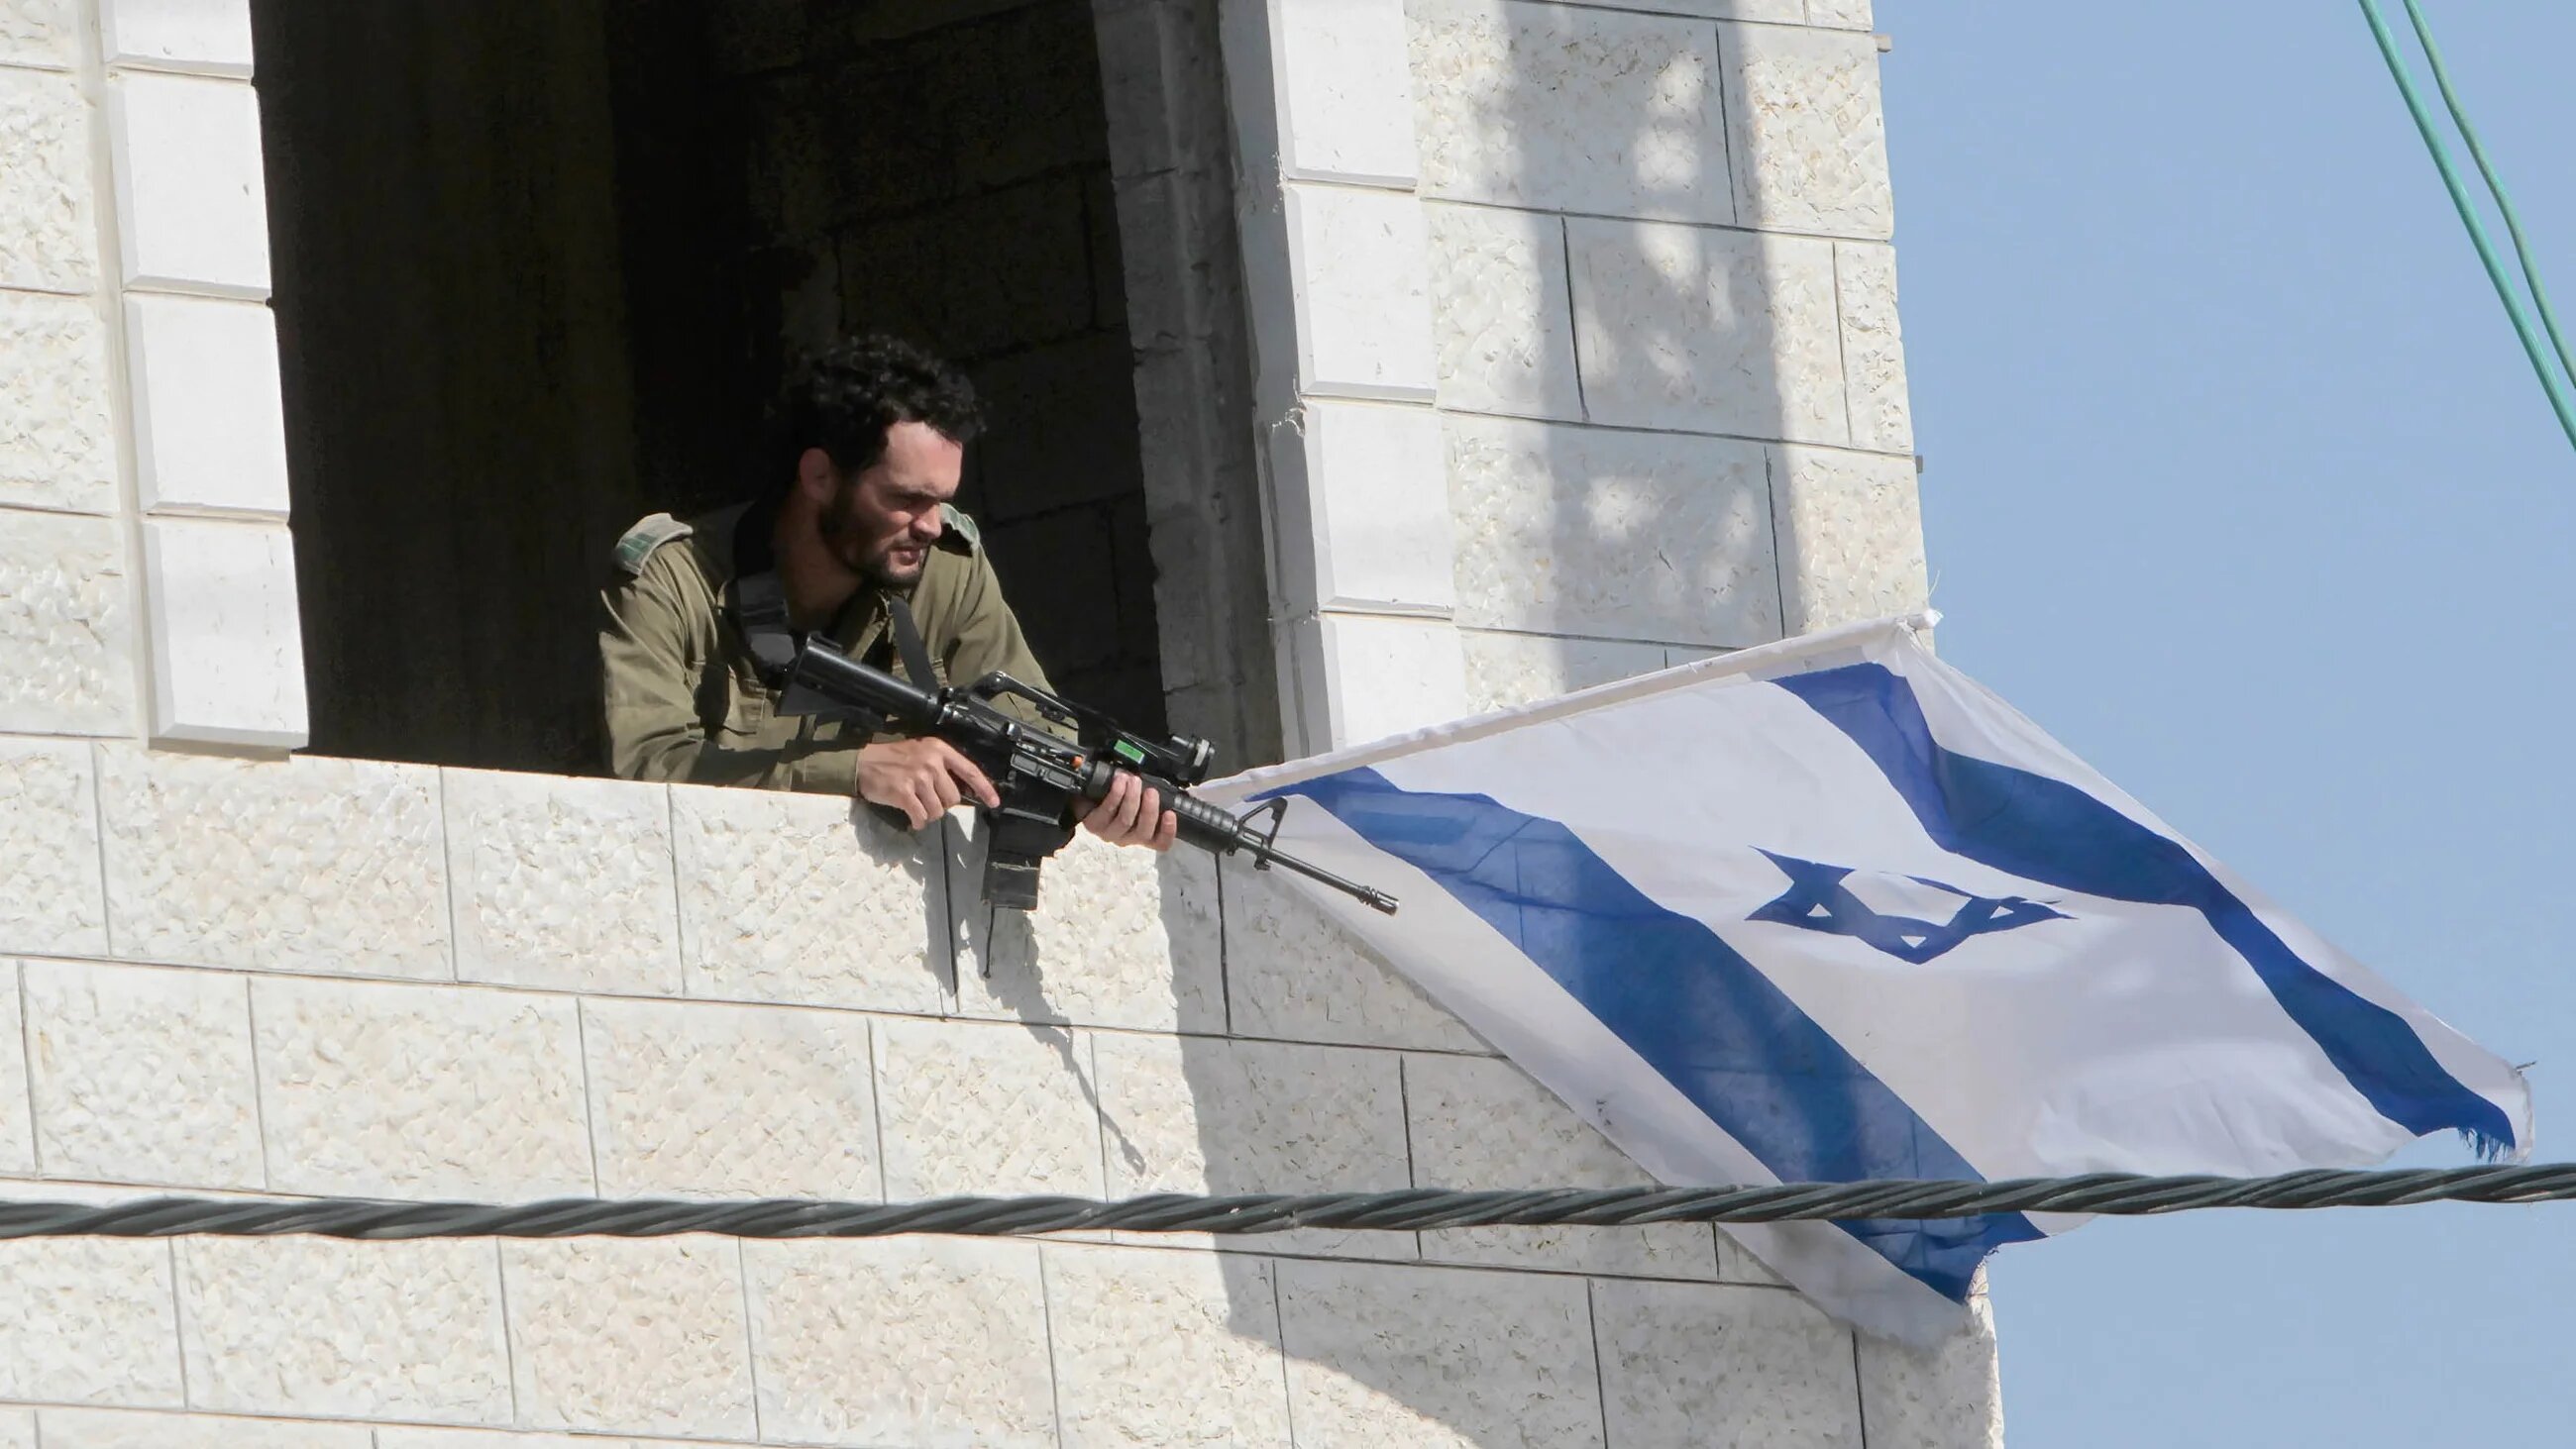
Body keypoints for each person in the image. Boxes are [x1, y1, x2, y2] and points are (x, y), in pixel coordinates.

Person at [597, 334, 1176, 850]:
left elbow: (1034, 732)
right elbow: (647, 768)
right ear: (820, 477)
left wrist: (1094, 798)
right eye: (906, 499)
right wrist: (852, 771)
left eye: (940, 500)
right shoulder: (672, 578)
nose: (929, 525)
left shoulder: (949, 570)